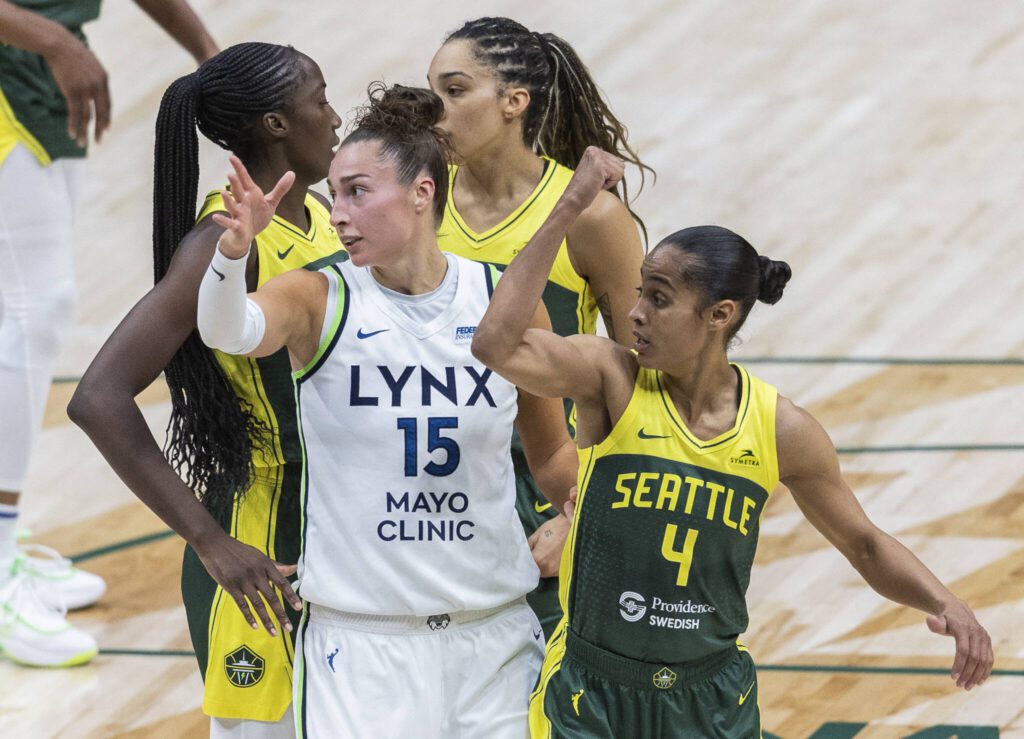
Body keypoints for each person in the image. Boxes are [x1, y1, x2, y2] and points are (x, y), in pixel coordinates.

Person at [471, 148, 995, 738]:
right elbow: (495, 345)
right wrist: (567, 207)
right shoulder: (610, 378)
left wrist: (945, 602)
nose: (635, 313)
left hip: (709, 696)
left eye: (659, 299)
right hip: (590, 690)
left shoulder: (781, 428)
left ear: (719, 314)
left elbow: (865, 544)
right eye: (640, 292)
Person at [195, 83, 578, 739]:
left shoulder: (499, 300)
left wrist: (580, 510)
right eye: (335, 192)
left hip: (494, 634)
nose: (337, 212)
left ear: (423, 193)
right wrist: (232, 258)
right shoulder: (318, 297)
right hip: (361, 644)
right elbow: (229, 331)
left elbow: (550, 453)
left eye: (357, 192)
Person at [68, 42, 342, 737]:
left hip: (336, 528)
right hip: (263, 546)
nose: (335, 117)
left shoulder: (323, 215)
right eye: (320, 100)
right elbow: (97, 394)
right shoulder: (219, 242)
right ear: (277, 124)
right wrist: (209, 540)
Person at [0, 0, 216, 667]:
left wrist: (211, 59)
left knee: (33, 308)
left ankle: (5, 542)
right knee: (35, 308)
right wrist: (52, 38)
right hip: (25, 61)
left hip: (35, 72)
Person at [428, 16, 654, 639]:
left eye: (454, 90)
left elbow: (649, 387)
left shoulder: (593, 217)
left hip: (542, 493)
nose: (435, 111)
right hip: (432, 497)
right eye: (432, 93)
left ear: (513, 101)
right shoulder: (419, 204)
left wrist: (584, 515)